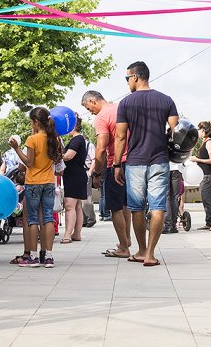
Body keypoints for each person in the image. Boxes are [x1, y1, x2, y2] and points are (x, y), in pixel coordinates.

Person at [114, 61, 178, 267]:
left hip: (135, 162)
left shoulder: (126, 103)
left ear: (135, 77)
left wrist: (116, 165)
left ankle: (141, 250)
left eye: (127, 79)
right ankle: (150, 254)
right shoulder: (166, 100)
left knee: (137, 208)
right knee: (158, 207)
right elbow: (176, 130)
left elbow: (121, 137)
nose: (127, 83)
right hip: (160, 160)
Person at [9, 107, 62, 268]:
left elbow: (29, 163)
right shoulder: (54, 138)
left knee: (32, 219)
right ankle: (48, 256)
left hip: (33, 183)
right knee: (47, 218)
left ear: (36, 122)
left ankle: (32, 256)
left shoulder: (32, 139)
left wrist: (16, 148)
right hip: (49, 182)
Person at [82, 90, 131, 259]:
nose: (90, 112)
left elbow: (101, 148)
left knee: (115, 208)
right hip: (131, 162)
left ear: (92, 100)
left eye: (89, 108)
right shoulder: (121, 108)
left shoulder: (102, 117)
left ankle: (123, 247)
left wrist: (97, 172)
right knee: (125, 204)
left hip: (114, 163)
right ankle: (127, 240)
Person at [61, 116, 88, 243]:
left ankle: (67, 234)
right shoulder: (79, 139)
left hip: (74, 175)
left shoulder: (77, 139)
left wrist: (57, 156)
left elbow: (68, 156)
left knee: (69, 205)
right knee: (77, 205)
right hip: (77, 174)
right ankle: (76, 233)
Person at [192, 121, 211, 231]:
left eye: (199, 129)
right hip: (203, 175)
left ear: (203, 130)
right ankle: (209, 222)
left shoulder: (209, 142)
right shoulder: (204, 142)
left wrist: (197, 159)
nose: (198, 131)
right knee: (204, 199)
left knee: (208, 199)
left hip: (208, 175)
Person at [163, 162, 183, 233]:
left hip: (165, 167)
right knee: (175, 197)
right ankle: (173, 225)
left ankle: (168, 225)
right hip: (177, 169)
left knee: (166, 196)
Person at [82, 138, 97, 228]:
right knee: (80, 197)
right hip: (80, 172)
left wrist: (90, 172)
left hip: (86, 170)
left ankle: (91, 218)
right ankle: (84, 219)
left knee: (87, 196)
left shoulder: (89, 145)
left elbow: (94, 160)